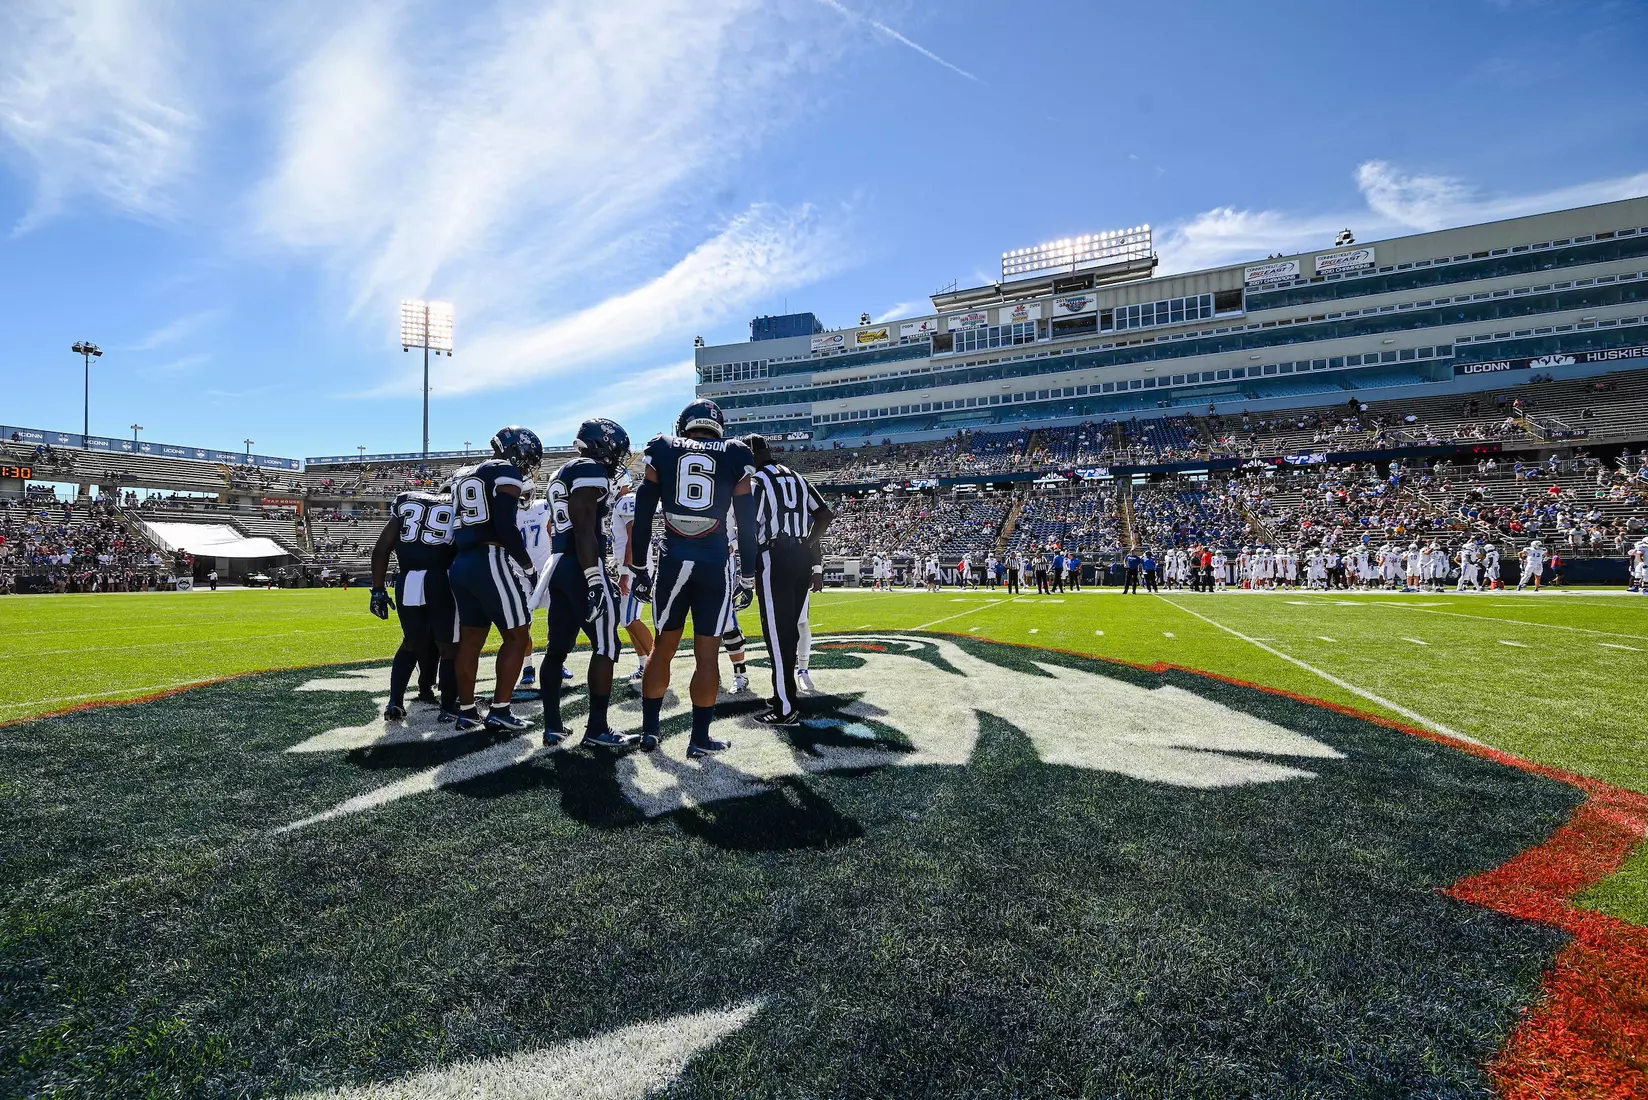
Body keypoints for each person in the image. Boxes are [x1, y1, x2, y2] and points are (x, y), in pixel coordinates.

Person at [628, 399, 761, 757]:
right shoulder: (735, 452)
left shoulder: (663, 447)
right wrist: (748, 575)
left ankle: (650, 733)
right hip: (713, 560)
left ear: (683, 424)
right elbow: (747, 522)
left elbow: (643, 515)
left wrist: (639, 567)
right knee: (707, 654)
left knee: (662, 649)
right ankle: (699, 739)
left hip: (673, 558)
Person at [531, 418, 633, 748]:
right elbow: (584, 529)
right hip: (581, 563)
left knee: (558, 648)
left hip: (558, 564)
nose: (617, 459)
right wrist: (594, 578)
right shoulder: (590, 471)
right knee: (607, 645)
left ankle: (552, 727)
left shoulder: (563, 472)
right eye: (616, 451)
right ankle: (597, 729)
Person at [446, 426, 544, 734]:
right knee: (517, 634)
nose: (526, 464)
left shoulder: (462, 473)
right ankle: (500, 710)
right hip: (490, 559)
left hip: (461, 562)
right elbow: (504, 525)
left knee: (471, 641)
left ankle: (466, 711)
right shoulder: (505, 470)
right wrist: (527, 566)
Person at [746, 433, 834, 724]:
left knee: (776, 632)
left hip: (774, 557)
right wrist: (807, 546)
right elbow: (824, 515)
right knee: (790, 631)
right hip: (799, 556)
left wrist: (748, 570)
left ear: (751, 456)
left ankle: (785, 706)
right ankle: (785, 693)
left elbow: (749, 527)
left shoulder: (758, 482)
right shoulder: (796, 476)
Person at [369, 487, 459, 720]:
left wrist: (378, 589)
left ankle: (395, 702)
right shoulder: (458, 502)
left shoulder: (408, 501)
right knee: (449, 645)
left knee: (411, 642)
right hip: (442, 578)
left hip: (408, 578)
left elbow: (381, 549)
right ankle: (448, 707)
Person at [609, 475, 654, 685]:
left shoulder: (626, 500)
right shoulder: (623, 501)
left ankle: (658, 665)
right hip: (632, 565)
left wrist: (626, 571)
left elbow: (633, 536)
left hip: (635, 566)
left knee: (629, 619)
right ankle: (645, 666)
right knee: (627, 620)